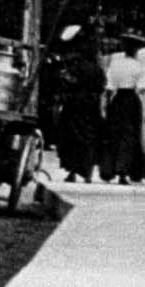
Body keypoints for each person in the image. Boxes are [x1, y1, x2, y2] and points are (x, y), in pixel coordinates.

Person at [102, 35, 145, 184]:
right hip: (131, 102)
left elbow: (109, 88)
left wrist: (105, 107)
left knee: (114, 135)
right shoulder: (139, 67)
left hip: (117, 101)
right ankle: (124, 172)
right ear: (136, 50)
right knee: (129, 136)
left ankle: (108, 170)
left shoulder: (115, 65)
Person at [55, 29, 106, 184]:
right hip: (91, 106)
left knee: (72, 137)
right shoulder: (98, 70)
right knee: (90, 139)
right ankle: (88, 173)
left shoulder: (76, 67)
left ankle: (72, 172)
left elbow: (68, 83)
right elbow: (102, 87)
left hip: (75, 104)